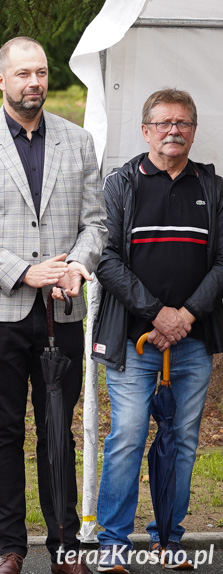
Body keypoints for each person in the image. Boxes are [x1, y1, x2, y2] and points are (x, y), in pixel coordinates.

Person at [0, 37, 107, 574]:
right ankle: (11, 547)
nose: (33, 82)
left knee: (57, 428)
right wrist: (23, 271)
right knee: (5, 428)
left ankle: (64, 547)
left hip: (61, 312)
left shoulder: (77, 141)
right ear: (1, 81)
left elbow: (96, 224)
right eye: (22, 74)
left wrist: (77, 266)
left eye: (40, 72)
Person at [91, 88, 223, 573]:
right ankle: (113, 547)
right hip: (133, 339)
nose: (174, 131)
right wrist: (157, 314)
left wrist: (186, 315)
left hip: (192, 341)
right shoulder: (120, 185)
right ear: (145, 130)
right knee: (126, 434)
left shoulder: (213, 188)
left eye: (183, 123)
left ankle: (169, 541)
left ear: (193, 130)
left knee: (181, 439)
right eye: (164, 123)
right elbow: (105, 258)